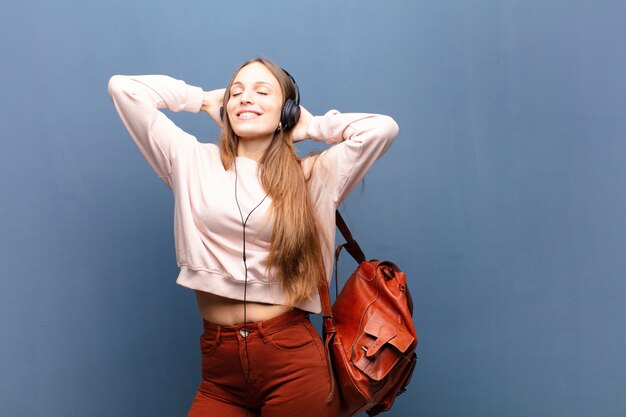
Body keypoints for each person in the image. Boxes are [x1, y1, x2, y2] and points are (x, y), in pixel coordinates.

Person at [107, 57, 399, 417]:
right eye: (236, 92)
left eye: (263, 92)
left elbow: (383, 129)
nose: (246, 98)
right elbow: (124, 89)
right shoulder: (189, 161)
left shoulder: (313, 175)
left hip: (291, 359)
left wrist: (315, 126)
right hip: (219, 367)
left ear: (287, 112)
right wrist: (200, 99)